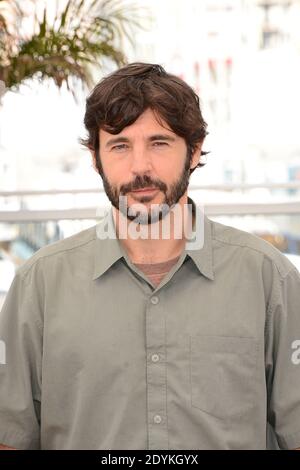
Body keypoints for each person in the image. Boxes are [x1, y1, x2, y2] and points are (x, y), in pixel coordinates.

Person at [0, 62, 300, 450]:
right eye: (120, 145)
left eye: (159, 143)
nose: (140, 167)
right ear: (96, 158)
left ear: (193, 152)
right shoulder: (38, 284)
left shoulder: (269, 278)